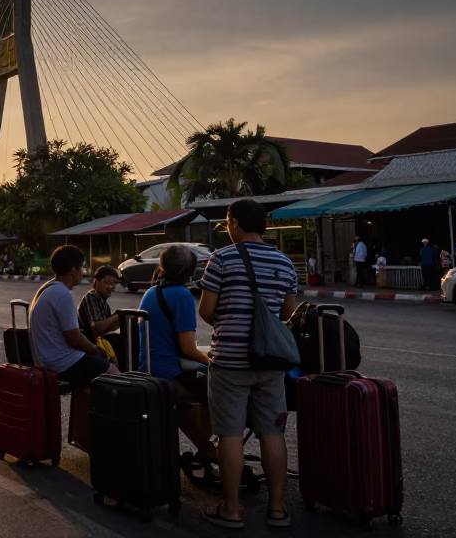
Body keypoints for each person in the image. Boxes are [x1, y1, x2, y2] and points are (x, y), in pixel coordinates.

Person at [197, 198, 297, 529]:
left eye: (227, 222)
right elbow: (286, 314)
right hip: (271, 361)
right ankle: (278, 509)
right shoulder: (285, 262)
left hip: (230, 361)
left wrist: (229, 318)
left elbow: (206, 311)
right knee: (272, 432)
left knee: (229, 433)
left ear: (235, 223)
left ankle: (231, 510)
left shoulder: (221, 258)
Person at [138, 245, 216, 466]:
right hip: (169, 374)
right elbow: (188, 349)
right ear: (189, 272)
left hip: (149, 368)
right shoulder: (181, 295)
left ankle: (205, 448)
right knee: (222, 388)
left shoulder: (152, 291)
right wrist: (212, 362)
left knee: (187, 398)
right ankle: (207, 447)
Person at [30, 245, 118, 387]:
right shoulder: (62, 294)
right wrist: (98, 351)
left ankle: (83, 408)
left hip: (47, 358)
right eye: (81, 268)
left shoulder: (48, 288)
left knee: (94, 369)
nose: (82, 272)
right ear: (73, 271)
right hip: (60, 361)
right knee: (114, 372)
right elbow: (74, 338)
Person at [77, 265, 123, 359]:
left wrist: (123, 318)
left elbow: (109, 328)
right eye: (106, 282)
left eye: (113, 283)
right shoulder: (91, 297)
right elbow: (96, 329)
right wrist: (118, 315)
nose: (110, 287)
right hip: (90, 346)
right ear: (96, 281)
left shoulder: (104, 303)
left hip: (100, 344)